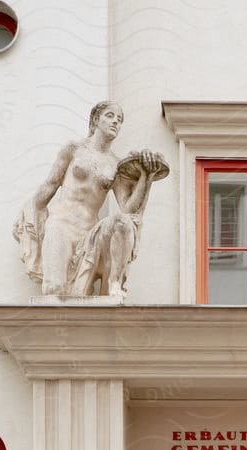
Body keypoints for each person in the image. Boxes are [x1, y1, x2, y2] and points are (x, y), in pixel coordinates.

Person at [13, 101, 167, 301]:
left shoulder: (116, 165)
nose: (115, 122)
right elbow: (51, 183)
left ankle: (114, 286)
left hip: (89, 234)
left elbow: (129, 210)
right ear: (96, 120)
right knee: (53, 289)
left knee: (122, 222)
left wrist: (147, 176)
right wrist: (31, 213)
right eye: (110, 116)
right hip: (61, 226)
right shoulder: (74, 149)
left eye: (119, 120)